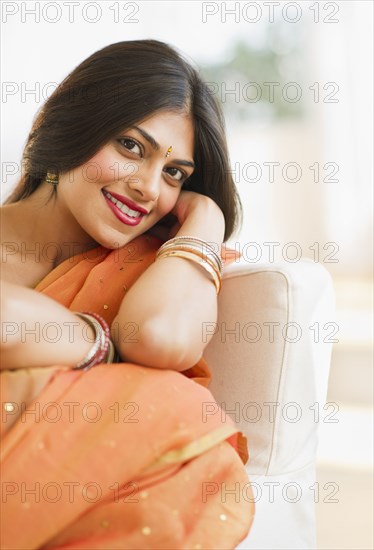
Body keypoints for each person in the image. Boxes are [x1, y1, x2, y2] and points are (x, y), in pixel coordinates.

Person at [0, 40, 254, 549]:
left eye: (175, 173)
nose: (148, 187)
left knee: (175, 410)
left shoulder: (162, 265)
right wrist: (97, 343)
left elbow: (158, 337)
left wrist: (208, 217)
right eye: (131, 147)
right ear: (68, 125)